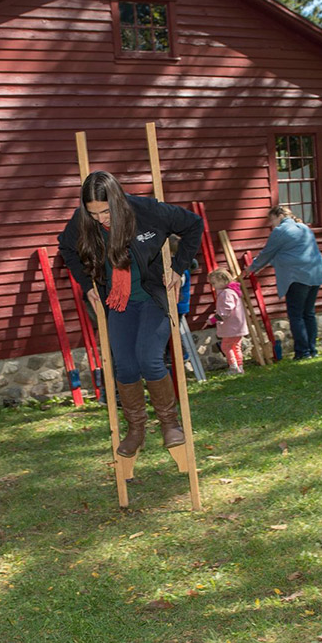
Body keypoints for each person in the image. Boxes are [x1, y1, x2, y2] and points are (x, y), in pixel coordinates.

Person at [58, 170, 203, 458]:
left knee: (149, 358)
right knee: (124, 366)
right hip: (117, 301)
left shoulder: (147, 211)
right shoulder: (84, 220)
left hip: (151, 296)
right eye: (93, 212)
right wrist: (87, 285)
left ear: (118, 200)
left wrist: (179, 267)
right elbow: (66, 248)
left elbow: (193, 225)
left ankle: (169, 424)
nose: (100, 218)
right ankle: (136, 429)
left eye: (105, 211)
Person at [243, 206, 322, 360]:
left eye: (272, 220)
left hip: (297, 277)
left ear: (280, 216)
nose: (271, 224)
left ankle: (303, 352)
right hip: (315, 274)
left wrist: (251, 267)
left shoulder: (280, 231)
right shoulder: (304, 227)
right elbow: (288, 252)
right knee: (308, 313)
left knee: (296, 315)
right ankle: (312, 350)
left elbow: (267, 253)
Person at [207, 268, 248, 374]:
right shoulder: (233, 291)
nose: (213, 285)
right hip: (238, 325)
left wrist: (213, 319)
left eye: (214, 283)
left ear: (222, 280)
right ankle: (240, 366)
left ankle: (233, 367)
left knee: (226, 346)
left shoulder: (226, 293)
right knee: (236, 346)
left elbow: (226, 311)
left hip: (231, 326)